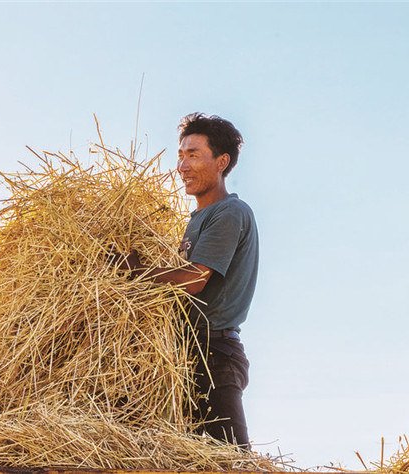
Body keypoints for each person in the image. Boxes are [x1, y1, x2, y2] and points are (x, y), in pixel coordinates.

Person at [119, 112, 258, 450]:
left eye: (193, 155)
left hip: (215, 356)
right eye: (180, 155)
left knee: (234, 463)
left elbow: (194, 280)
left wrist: (135, 271)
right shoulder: (196, 220)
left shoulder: (229, 213)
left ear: (222, 162)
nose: (182, 166)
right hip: (187, 355)